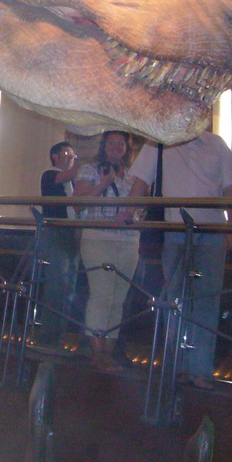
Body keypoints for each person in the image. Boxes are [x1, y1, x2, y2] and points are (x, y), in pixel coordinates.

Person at [119, 130, 232, 390]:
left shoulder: (216, 144)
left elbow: (230, 188)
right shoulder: (159, 141)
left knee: (206, 299)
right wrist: (129, 210)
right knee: (175, 299)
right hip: (175, 231)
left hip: (211, 231)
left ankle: (200, 369)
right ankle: (178, 365)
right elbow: (141, 180)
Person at [73, 130, 139, 370]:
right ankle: (97, 351)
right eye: (111, 142)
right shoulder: (90, 169)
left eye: (120, 143)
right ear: (103, 146)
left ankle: (109, 351)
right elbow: (77, 203)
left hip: (129, 240)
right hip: (97, 237)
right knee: (101, 294)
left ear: (127, 148)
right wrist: (103, 184)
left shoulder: (134, 176)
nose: (115, 146)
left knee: (118, 298)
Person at [36, 141, 82, 346]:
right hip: (55, 233)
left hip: (72, 234)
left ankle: (60, 336)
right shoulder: (49, 174)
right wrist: (89, 160)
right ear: (54, 156)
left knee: (69, 288)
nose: (70, 158)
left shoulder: (73, 183)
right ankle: (48, 338)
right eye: (66, 153)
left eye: (73, 155)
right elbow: (67, 175)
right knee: (57, 286)